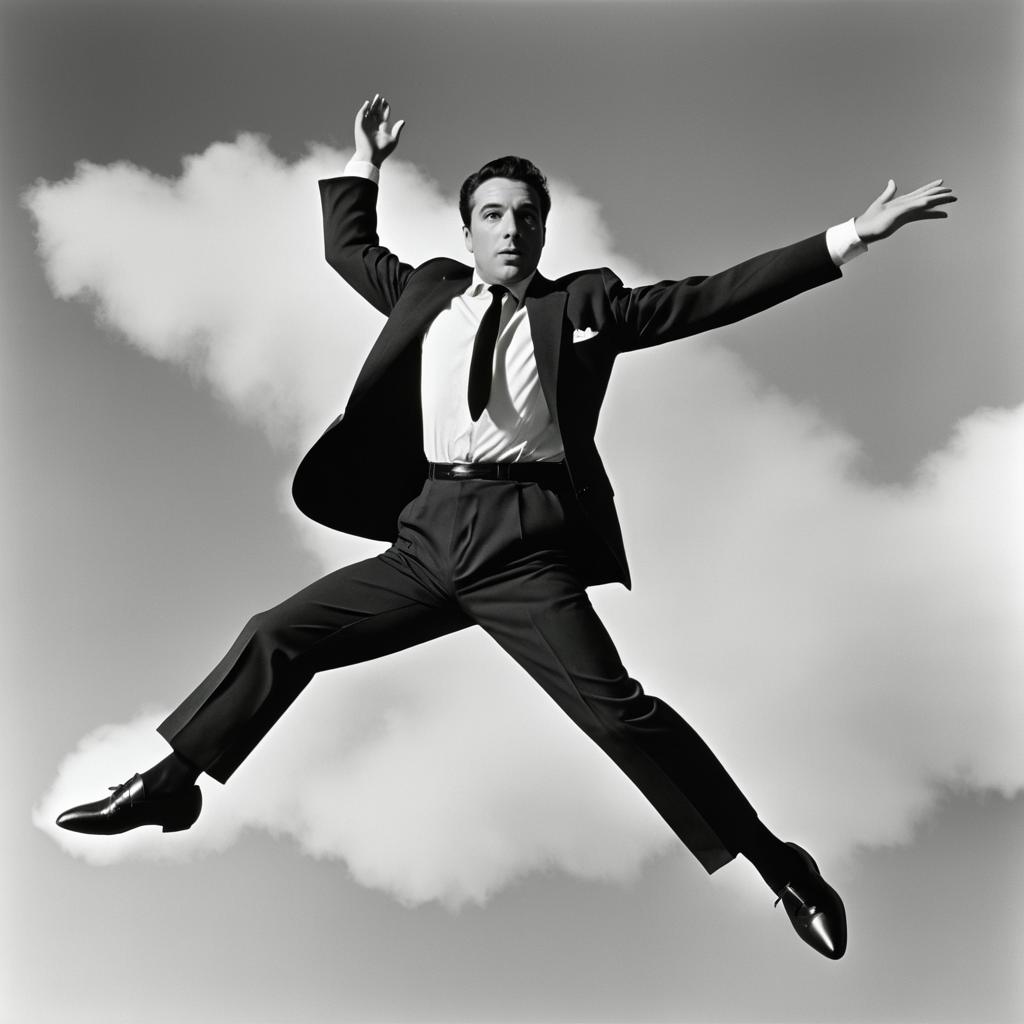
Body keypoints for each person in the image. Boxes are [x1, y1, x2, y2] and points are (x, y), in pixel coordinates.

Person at [57, 93, 956, 960]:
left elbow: (712, 295)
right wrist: (363, 166)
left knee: (622, 718)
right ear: (468, 230)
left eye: (526, 215)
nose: (510, 228)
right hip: (425, 535)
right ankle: (173, 785)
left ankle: (777, 865)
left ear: (542, 228)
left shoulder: (588, 307)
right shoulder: (427, 295)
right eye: (492, 214)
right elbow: (348, 247)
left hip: (524, 546)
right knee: (277, 634)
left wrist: (847, 239)